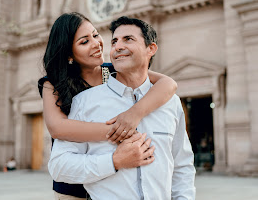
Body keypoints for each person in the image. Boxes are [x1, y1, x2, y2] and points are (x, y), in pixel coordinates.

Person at [48, 16, 196, 200]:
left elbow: (182, 165)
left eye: (128, 39)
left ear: (151, 48)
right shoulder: (77, 99)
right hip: (70, 193)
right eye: (115, 41)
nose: (116, 46)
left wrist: (135, 113)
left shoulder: (170, 102)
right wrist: (114, 161)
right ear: (70, 54)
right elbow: (58, 161)